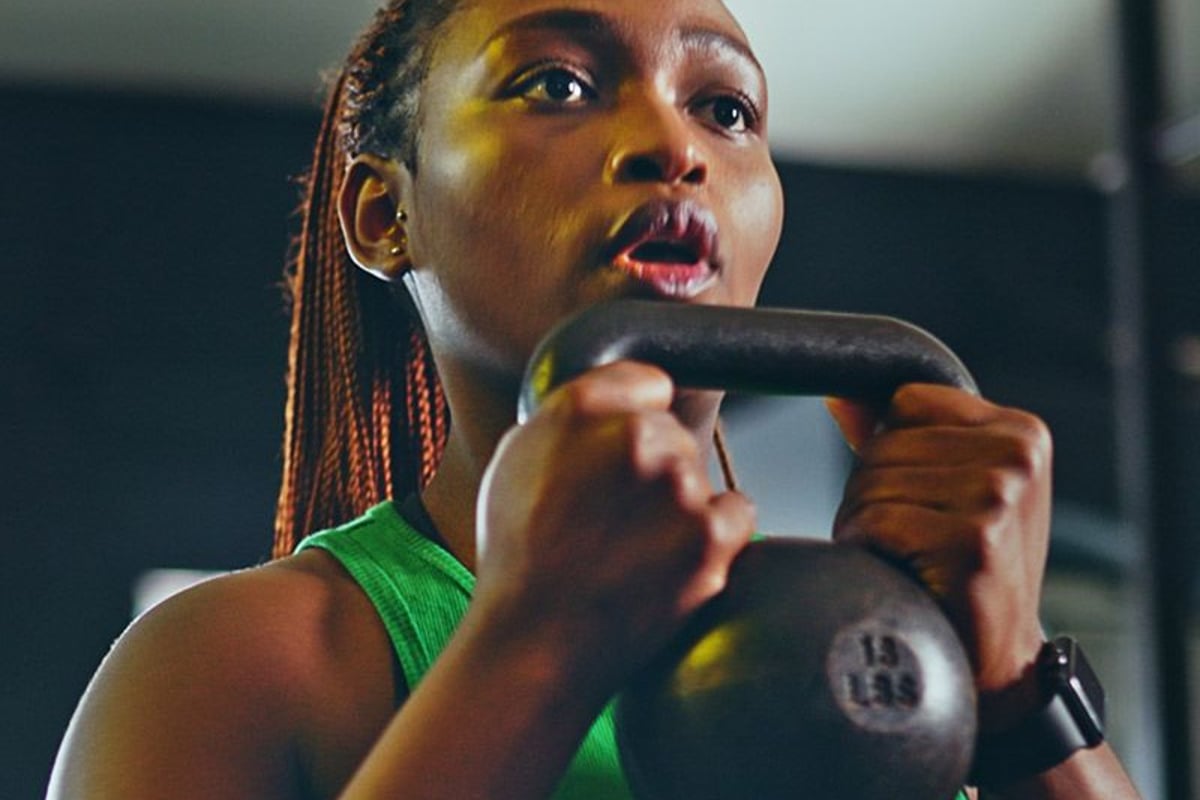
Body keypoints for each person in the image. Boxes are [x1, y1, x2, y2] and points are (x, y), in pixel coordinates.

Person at [48, 1, 1142, 798]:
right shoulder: (243, 657)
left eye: (724, 108)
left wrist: (1014, 679)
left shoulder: (892, 653)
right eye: (557, 86)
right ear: (386, 215)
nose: (674, 147)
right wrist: (538, 644)